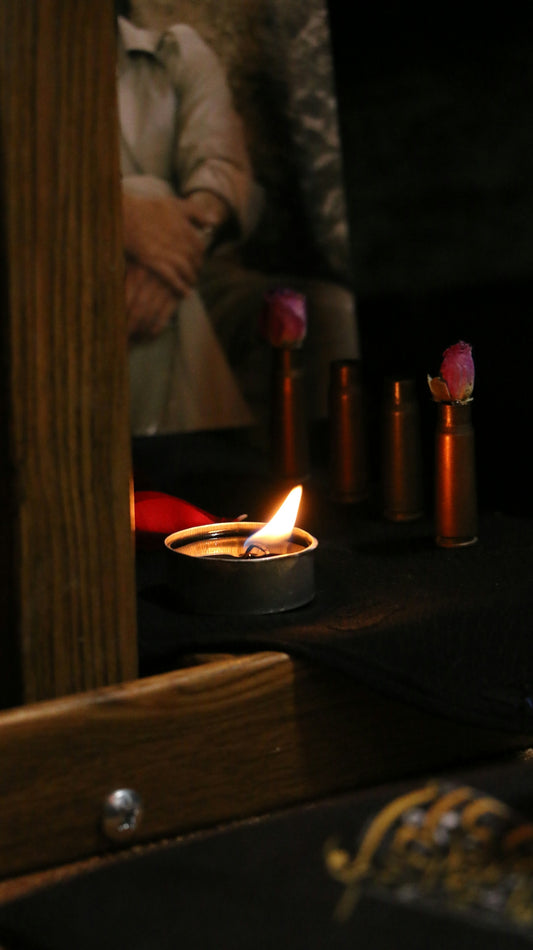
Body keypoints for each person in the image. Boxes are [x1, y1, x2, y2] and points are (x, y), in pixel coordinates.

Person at [118, 3, 360, 438]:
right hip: (80, 279)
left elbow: (222, 166)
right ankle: (186, 467)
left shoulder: (175, 53)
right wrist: (126, 217)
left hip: (203, 267)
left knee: (328, 314)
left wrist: (177, 246)